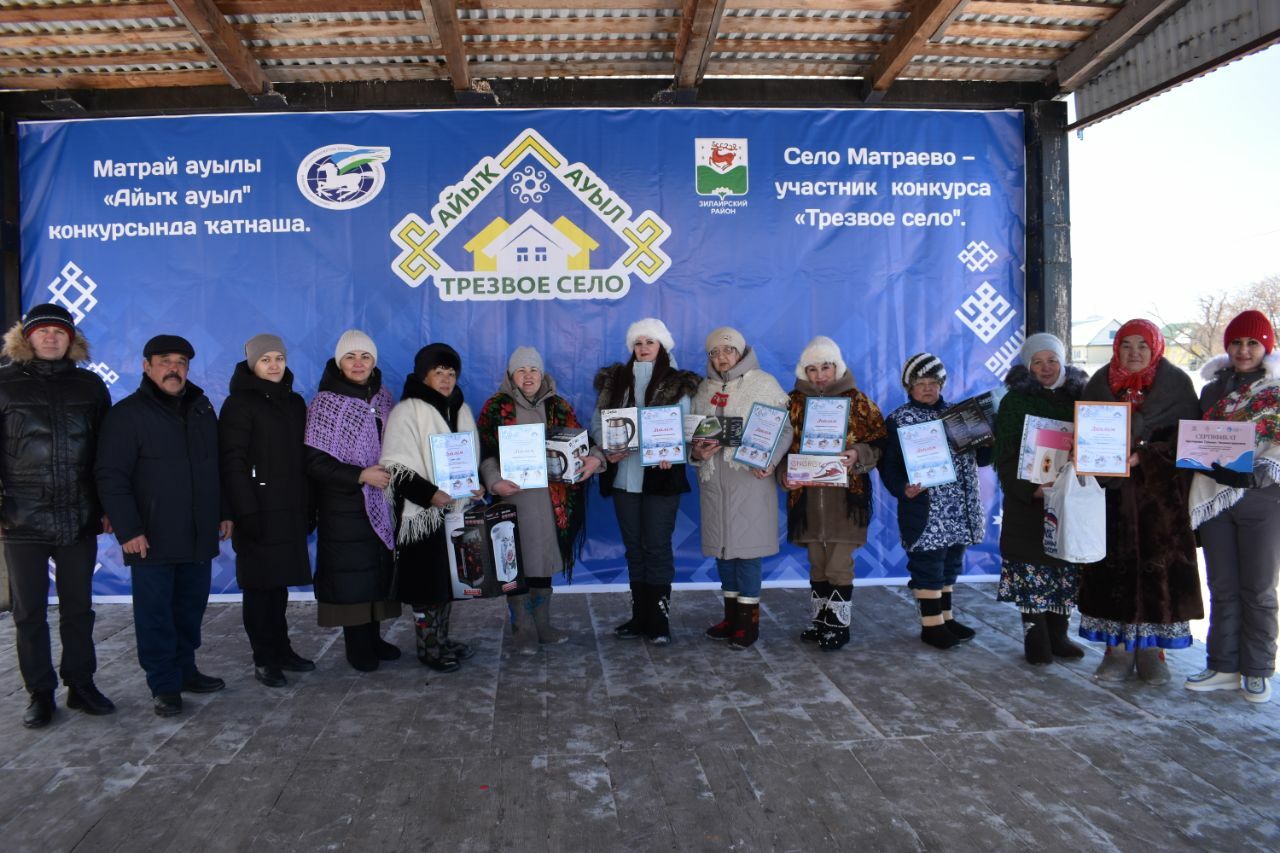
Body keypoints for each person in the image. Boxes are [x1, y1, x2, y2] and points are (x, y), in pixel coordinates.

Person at [96, 334, 231, 717]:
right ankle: (164, 684)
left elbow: (214, 466)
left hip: (198, 531)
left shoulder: (202, 408)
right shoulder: (127, 414)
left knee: (189, 609)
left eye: (181, 362)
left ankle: (186, 670)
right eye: (165, 361)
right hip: (150, 536)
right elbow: (111, 476)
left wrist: (224, 511)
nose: (174, 369)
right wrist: (129, 529)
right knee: (155, 614)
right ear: (146, 366)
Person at [0, 303, 114, 727]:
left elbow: (107, 455)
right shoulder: (4, 384)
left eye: (59, 332)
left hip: (77, 516)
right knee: (28, 613)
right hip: (22, 518)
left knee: (78, 610)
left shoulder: (90, 386)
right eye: (42, 331)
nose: (51, 337)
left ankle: (81, 685)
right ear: (26, 338)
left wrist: (107, 509)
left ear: (71, 340)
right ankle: (40, 692)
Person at [1077, 319, 1202, 683]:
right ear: (1117, 348)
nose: (1134, 353)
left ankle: (1152, 652)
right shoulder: (1098, 383)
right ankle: (1115, 651)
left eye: (1142, 346)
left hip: (1159, 503)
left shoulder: (1177, 384)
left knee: (1158, 573)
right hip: (1111, 501)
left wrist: (1144, 458)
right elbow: (1084, 436)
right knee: (1109, 571)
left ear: (1155, 348)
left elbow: (1188, 442)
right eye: (1126, 345)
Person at [477, 346, 603, 651]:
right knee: (514, 563)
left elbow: (582, 444)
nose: (528, 376)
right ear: (511, 376)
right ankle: (522, 628)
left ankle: (543, 625)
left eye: (533, 370)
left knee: (544, 562)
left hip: (551, 502)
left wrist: (595, 459)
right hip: (511, 501)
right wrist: (494, 481)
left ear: (542, 374)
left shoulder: (558, 406)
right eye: (521, 370)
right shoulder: (496, 408)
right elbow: (484, 453)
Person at [1185, 310, 1280, 704]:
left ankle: (1257, 669)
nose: (1244, 351)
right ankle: (1223, 665)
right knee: (1221, 585)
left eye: (1252, 343)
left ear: (1266, 348)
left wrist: (1258, 473)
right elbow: (1194, 436)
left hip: (1262, 496)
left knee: (1258, 588)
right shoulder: (1211, 390)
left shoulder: (1276, 389)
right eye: (1237, 343)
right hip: (1215, 497)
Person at [591, 319, 699, 644]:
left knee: (657, 547)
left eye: (650, 342)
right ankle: (640, 616)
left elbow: (683, 424)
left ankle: (659, 620)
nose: (643, 348)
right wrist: (607, 445)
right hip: (625, 477)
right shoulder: (616, 381)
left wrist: (673, 449)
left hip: (661, 476)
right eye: (638, 343)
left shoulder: (679, 382)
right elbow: (599, 420)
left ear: (662, 346)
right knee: (634, 549)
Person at [218, 334, 315, 689]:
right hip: (257, 512)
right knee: (260, 589)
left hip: (288, 510)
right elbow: (232, 462)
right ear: (251, 364)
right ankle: (264, 657)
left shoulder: (294, 402)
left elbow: (302, 461)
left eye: (279, 358)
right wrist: (246, 512)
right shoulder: (239, 404)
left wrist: (309, 506)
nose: (274, 365)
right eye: (266, 360)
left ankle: (283, 648)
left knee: (279, 586)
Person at [381, 343, 483, 672]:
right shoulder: (407, 410)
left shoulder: (461, 409)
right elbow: (396, 468)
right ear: (424, 375)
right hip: (422, 514)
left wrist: (475, 484)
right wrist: (430, 495)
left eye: (451, 373)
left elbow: (469, 458)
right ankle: (428, 648)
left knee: (447, 582)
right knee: (426, 587)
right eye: (438, 373)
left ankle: (442, 638)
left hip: (454, 512)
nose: (446, 379)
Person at [779, 336, 886, 651]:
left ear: (837, 366)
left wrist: (857, 454)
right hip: (808, 499)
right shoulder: (793, 402)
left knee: (839, 564)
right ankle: (820, 622)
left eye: (826, 366)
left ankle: (839, 626)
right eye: (812, 369)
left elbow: (881, 440)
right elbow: (780, 445)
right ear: (804, 372)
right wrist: (785, 474)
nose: (820, 375)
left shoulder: (858, 400)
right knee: (817, 562)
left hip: (845, 498)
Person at [304, 330, 401, 672]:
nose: (358, 363)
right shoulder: (325, 404)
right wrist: (360, 475)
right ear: (338, 362)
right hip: (343, 506)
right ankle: (357, 646)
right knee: (351, 577)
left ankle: (374, 638)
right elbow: (315, 463)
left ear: (373, 361)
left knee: (375, 571)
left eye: (365, 357)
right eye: (350, 357)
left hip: (382, 501)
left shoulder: (385, 398)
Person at [879, 353, 990, 650]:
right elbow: (888, 466)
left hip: (960, 506)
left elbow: (983, 458)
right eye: (920, 383)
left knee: (951, 562)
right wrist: (903, 489)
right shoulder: (899, 419)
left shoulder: (958, 415)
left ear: (941, 384)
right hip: (925, 508)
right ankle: (931, 626)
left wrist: (990, 436)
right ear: (908, 386)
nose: (928, 389)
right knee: (928, 563)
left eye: (934, 383)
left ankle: (946, 617)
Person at [690, 327, 791, 650]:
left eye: (728, 350)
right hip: (713, 482)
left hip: (749, 480)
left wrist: (771, 461)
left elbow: (784, 429)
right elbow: (691, 434)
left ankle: (748, 622)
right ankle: (731, 616)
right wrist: (696, 452)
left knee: (747, 552)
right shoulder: (702, 390)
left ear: (742, 352)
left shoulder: (763, 383)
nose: (721, 358)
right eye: (715, 353)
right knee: (723, 550)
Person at [993, 333, 1090, 665]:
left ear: (1063, 362)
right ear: (1027, 365)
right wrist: (1027, 489)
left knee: (1063, 565)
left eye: (1052, 360)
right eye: (1038, 362)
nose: (1046, 368)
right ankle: (1036, 639)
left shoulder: (1081, 399)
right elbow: (1003, 457)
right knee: (1032, 567)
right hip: (1030, 502)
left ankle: (1059, 636)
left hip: (1069, 498)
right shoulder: (1013, 402)